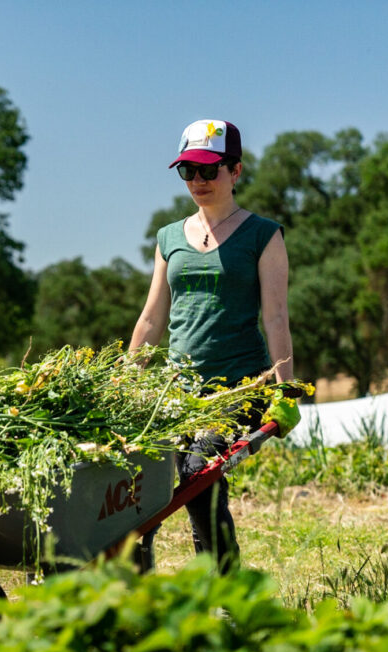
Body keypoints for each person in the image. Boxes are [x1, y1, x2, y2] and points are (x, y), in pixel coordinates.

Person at [129, 119, 298, 572]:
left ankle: (227, 598)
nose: (199, 181)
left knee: (197, 473)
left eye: (209, 170)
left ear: (236, 171)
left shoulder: (263, 235)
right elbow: (151, 318)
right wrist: (127, 385)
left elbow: (276, 316)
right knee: (139, 486)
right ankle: (135, 596)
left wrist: (285, 389)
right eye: (189, 172)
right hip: (178, 390)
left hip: (239, 387)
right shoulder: (169, 238)